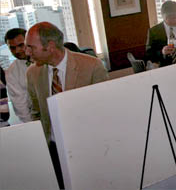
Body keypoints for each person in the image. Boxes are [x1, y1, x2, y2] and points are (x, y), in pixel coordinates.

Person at [25, 22, 108, 188]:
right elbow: (36, 112)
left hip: (89, 149)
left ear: (50, 46)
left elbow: (104, 111)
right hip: (54, 151)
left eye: (31, 47)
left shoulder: (91, 67)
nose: (27, 52)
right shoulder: (33, 73)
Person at [4, 28, 32, 123]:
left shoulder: (46, 59)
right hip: (36, 118)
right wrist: (34, 126)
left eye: (21, 45)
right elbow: (20, 106)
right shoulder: (11, 72)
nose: (17, 51)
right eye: (12, 48)